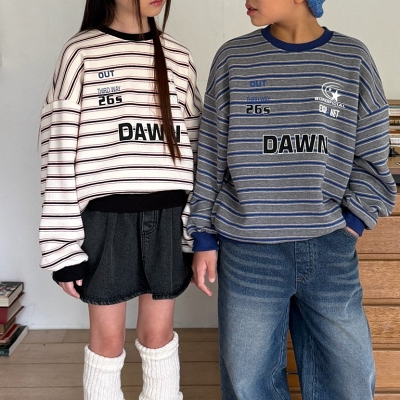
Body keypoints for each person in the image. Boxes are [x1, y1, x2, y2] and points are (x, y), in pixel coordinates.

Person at [188, 0, 397, 399]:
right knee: (249, 382)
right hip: (248, 250)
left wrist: (352, 224)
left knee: (348, 380)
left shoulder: (352, 59)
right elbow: (210, 155)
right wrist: (202, 234)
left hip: (329, 247)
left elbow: (372, 155)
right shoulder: (233, 58)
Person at [39, 0, 201, 399]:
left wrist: (196, 230)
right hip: (105, 220)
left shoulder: (178, 57)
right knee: (107, 341)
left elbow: (200, 148)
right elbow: (57, 151)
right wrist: (62, 247)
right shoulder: (80, 53)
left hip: (168, 216)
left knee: (159, 335)